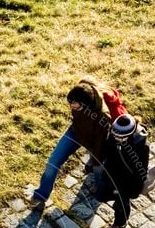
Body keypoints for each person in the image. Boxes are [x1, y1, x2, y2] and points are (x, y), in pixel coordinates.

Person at [28, 78, 126, 209]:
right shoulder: (79, 97)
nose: (71, 106)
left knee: (99, 170)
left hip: (94, 141)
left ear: (85, 104)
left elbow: (99, 143)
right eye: (70, 103)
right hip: (75, 132)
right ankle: (41, 196)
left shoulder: (102, 117)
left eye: (74, 104)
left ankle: (101, 190)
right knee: (53, 161)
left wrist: (97, 161)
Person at [94, 113, 150, 228]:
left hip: (127, 182)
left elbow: (141, 170)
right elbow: (107, 150)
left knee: (121, 204)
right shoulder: (113, 137)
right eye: (115, 136)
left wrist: (133, 187)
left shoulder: (141, 148)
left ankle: (120, 223)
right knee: (104, 194)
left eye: (121, 137)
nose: (117, 139)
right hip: (112, 173)